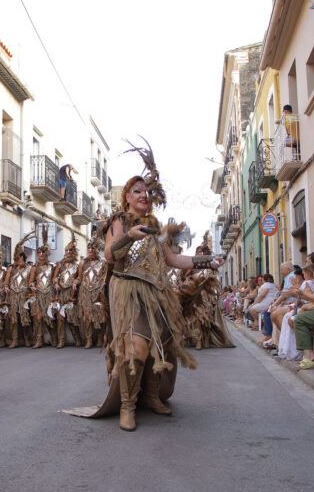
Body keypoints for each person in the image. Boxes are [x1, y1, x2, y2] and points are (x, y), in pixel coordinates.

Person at [64, 140, 222, 431]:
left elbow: (174, 259)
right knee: (135, 347)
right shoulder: (119, 222)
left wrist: (207, 261)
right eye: (136, 191)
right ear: (126, 196)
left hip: (157, 292)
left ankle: (151, 396)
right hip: (127, 291)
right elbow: (110, 255)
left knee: (161, 347)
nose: (143, 195)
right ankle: (127, 405)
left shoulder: (157, 227)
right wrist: (130, 237)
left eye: (147, 191)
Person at [3, 232, 35, 348]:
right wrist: (6, 286)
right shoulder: (11, 268)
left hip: (24, 294)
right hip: (13, 295)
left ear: (22, 256)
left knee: (25, 317)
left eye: (18, 256)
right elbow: (6, 281)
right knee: (13, 318)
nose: (16, 258)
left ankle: (27, 338)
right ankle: (15, 339)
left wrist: (31, 286)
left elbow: (31, 280)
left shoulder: (30, 268)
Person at [78, 234, 108, 349]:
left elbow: (105, 278)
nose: (90, 250)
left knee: (99, 315)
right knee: (87, 315)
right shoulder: (82, 263)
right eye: (88, 248)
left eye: (92, 248)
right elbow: (79, 277)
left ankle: (100, 338)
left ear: (97, 249)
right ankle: (89, 339)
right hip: (85, 292)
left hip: (98, 292)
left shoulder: (103, 263)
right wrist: (76, 281)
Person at [29, 229, 56, 349]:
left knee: (50, 317)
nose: (40, 255)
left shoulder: (52, 266)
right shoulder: (34, 268)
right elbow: (30, 281)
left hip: (49, 294)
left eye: (42, 253)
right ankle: (38, 340)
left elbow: (55, 278)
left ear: (46, 254)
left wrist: (56, 282)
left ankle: (54, 338)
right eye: (39, 253)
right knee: (37, 317)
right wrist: (32, 286)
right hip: (38, 294)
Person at [53, 234, 81, 348]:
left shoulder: (77, 265)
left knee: (71, 317)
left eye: (70, 250)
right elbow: (54, 277)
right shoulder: (60, 265)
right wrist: (55, 283)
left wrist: (76, 282)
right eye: (66, 250)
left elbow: (79, 277)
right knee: (60, 317)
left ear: (73, 252)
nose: (67, 252)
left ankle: (77, 338)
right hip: (61, 293)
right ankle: (61, 340)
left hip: (71, 293)